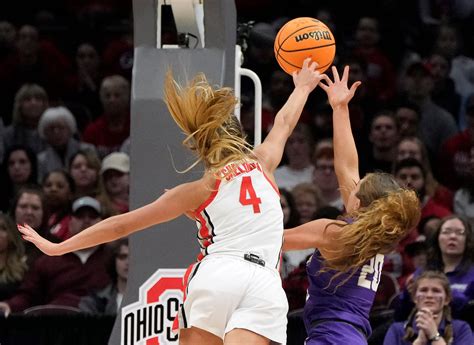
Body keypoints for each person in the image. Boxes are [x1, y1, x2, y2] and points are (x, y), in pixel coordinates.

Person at [18, 58, 323, 345]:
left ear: (199, 146)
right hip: (264, 281)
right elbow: (283, 121)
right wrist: (303, 87)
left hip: (220, 274)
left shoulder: (201, 187)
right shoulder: (263, 162)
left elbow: (121, 224)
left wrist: (59, 246)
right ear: (240, 137)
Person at [283, 65, 421, 344]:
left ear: (360, 201)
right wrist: (340, 108)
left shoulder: (334, 232)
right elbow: (346, 166)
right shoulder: (370, 234)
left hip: (331, 337)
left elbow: (270, 240)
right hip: (350, 336)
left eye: (358, 185)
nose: (350, 184)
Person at [0, 196, 110, 316]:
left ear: (101, 222)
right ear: (70, 222)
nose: (86, 221)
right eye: (80, 216)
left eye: (92, 216)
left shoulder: (112, 259)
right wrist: (9, 305)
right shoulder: (49, 259)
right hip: (55, 323)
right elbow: (28, 294)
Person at [383, 271, 473, 345]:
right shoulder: (397, 330)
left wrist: (434, 335)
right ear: (414, 298)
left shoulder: (461, 329)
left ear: (447, 299)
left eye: (436, 291)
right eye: (423, 290)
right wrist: (419, 342)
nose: (429, 295)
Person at [79, 237, 129, 315]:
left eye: (134, 257)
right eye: (122, 257)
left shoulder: (152, 299)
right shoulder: (94, 302)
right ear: (113, 260)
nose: (128, 262)